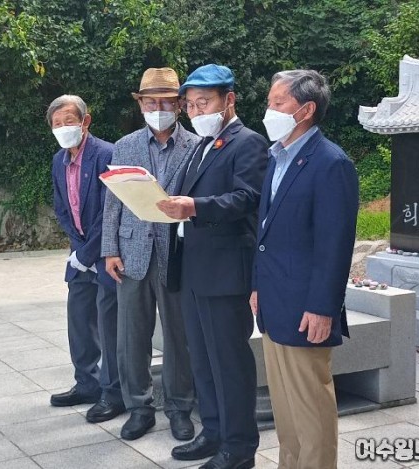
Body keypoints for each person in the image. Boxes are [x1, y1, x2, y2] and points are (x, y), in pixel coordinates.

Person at [157, 64, 267, 469]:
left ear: (229, 101)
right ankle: (215, 432)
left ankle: (239, 449)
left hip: (223, 273)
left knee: (229, 363)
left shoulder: (247, 143)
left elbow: (248, 198)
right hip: (192, 269)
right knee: (201, 359)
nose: (195, 110)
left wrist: (194, 207)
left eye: (204, 102)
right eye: (190, 105)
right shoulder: (200, 146)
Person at [250, 70, 359, 469]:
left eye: (278, 103)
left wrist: (323, 307)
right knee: (286, 410)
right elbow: (265, 234)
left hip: (306, 308)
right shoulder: (276, 157)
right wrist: (256, 284)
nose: (269, 110)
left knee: (311, 409)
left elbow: (335, 245)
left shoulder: (331, 164)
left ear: (306, 110)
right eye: (270, 101)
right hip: (274, 302)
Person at [101, 67, 198, 441]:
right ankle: (139, 407)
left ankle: (179, 408)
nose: (158, 108)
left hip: (177, 254)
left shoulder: (196, 145)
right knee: (131, 337)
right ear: (140, 104)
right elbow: (113, 203)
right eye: (150, 101)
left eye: (166, 102)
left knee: (178, 336)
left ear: (179, 105)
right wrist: (109, 249)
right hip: (131, 252)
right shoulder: (124, 146)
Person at [48, 94, 124, 424]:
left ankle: (113, 392)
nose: (64, 128)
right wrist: (78, 250)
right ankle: (86, 383)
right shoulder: (58, 161)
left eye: (69, 121)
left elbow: (110, 212)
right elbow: (62, 207)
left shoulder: (106, 154)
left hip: (107, 252)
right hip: (79, 253)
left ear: (85, 121)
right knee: (79, 321)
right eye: (57, 124)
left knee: (110, 325)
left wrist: (89, 251)